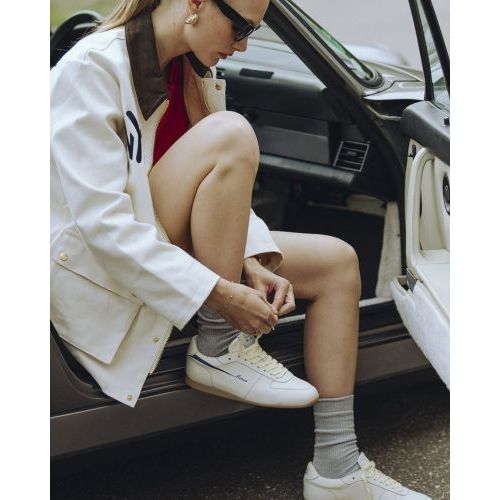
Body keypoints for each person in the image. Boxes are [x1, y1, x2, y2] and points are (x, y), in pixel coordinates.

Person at [50, 0, 431, 498]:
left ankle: (337, 469)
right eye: (240, 27)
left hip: (163, 238)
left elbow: (213, 191)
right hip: (107, 266)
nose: (245, 45)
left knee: (337, 263)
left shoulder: (191, 70)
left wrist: (250, 257)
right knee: (231, 134)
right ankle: (219, 343)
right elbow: (105, 227)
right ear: (194, 3)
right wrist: (221, 295)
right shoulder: (91, 68)